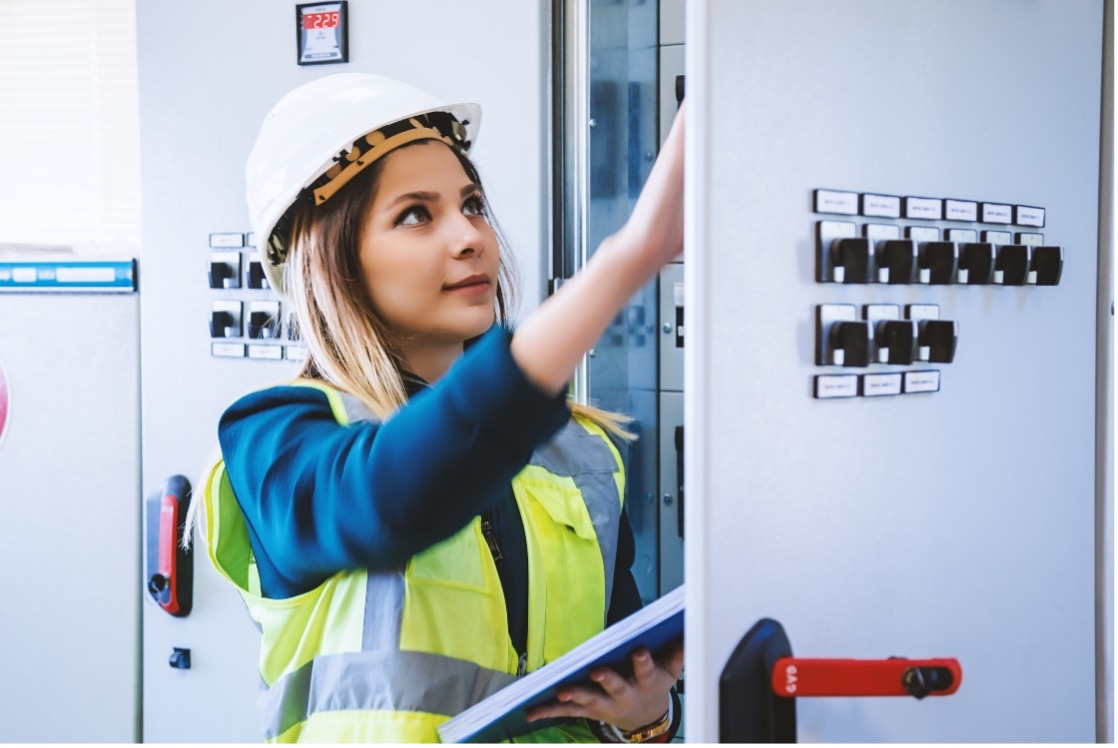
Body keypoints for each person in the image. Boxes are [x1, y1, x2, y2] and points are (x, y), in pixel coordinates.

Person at [191, 72, 685, 743]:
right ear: (334, 260)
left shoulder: (580, 452)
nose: (471, 236)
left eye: (473, 204)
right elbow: (390, 500)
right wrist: (629, 259)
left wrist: (648, 717)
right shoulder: (277, 437)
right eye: (416, 214)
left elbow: (621, 677)